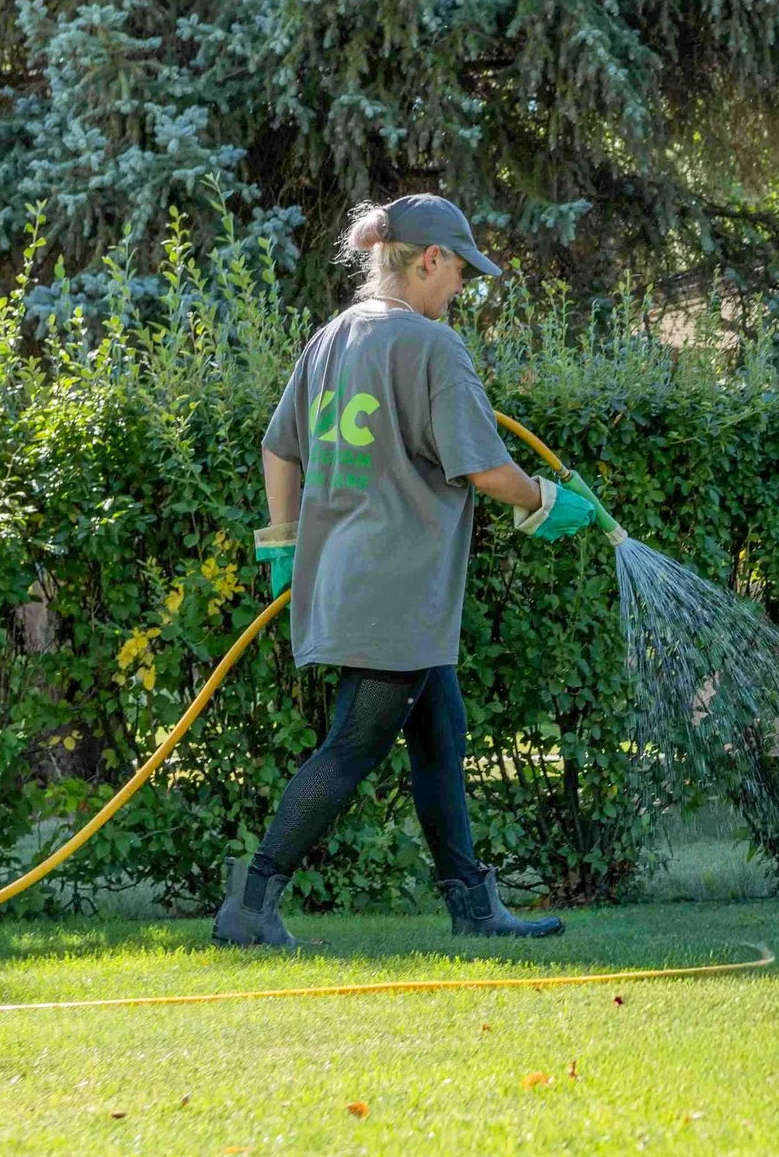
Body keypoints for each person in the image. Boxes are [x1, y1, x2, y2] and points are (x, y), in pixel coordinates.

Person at [212, 194, 596, 948]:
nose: (461, 289)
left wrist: (283, 543)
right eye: (460, 272)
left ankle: (473, 906)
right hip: (399, 583)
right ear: (429, 259)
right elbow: (484, 467)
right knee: (354, 744)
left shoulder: (331, 338)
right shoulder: (430, 346)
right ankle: (251, 902)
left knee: (439, 729)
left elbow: (277, 446)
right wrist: (549, 501)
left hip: (352, 580)